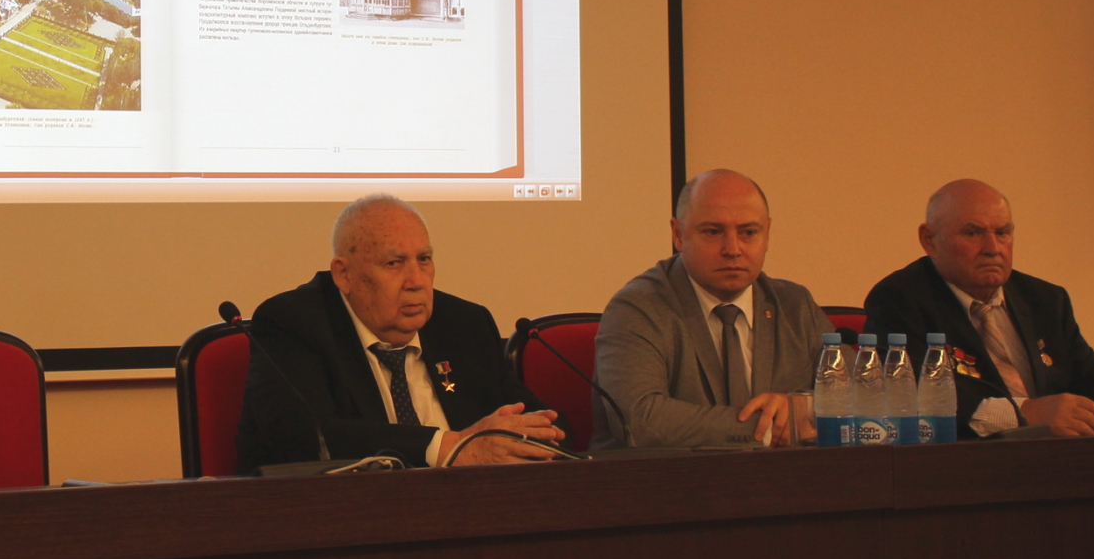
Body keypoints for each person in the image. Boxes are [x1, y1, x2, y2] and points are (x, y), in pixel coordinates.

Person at [234, 194, 563, 473]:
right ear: (344, 274)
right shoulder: (293, 323)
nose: (416, 281)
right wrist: (447, 447)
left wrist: (531, 436)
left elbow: (548, 428)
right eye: (394, 263)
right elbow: (310, 439)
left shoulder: (465, 324)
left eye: (424, 259)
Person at [863, 179, 1094, 438]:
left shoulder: (1044, 299)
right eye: (972, 233)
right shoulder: (899, 299)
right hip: (963, 465)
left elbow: (1088, 374)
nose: (992, 248)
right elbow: (913, 394)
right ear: (930, 239)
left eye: (1002, 232)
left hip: (1058, 460)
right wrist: (1024, 413)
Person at [590, 169, 832, 449]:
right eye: (713, 232)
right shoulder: (638, 308)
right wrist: (772, 426)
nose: (733, 249)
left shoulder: (794, 304)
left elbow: (860, 395)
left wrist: (804, 407)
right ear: (678, 235)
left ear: (767, 234)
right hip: (668, 475)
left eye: (749, 232)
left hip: (784, 475)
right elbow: (640, 421)